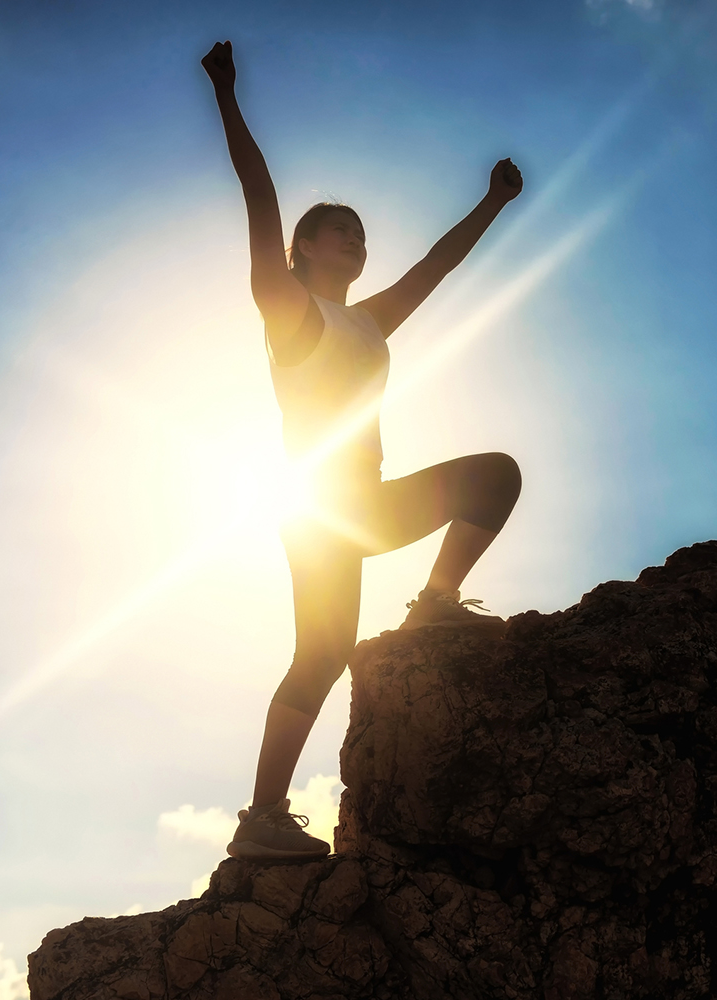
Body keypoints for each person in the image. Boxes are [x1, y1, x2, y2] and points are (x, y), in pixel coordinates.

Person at [202, 40, 523, 859]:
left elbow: (437, 265)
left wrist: (492, 201)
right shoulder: (287, 309)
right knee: (321, 655)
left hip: (365, 502)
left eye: (361, 235)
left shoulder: (368, 321)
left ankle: (435, 602)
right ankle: (261, 820)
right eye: (338, 231)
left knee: (493, 478)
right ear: (305, 248)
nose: (354, 240)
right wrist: (227, 94)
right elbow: (259, 191)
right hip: (316, 510)